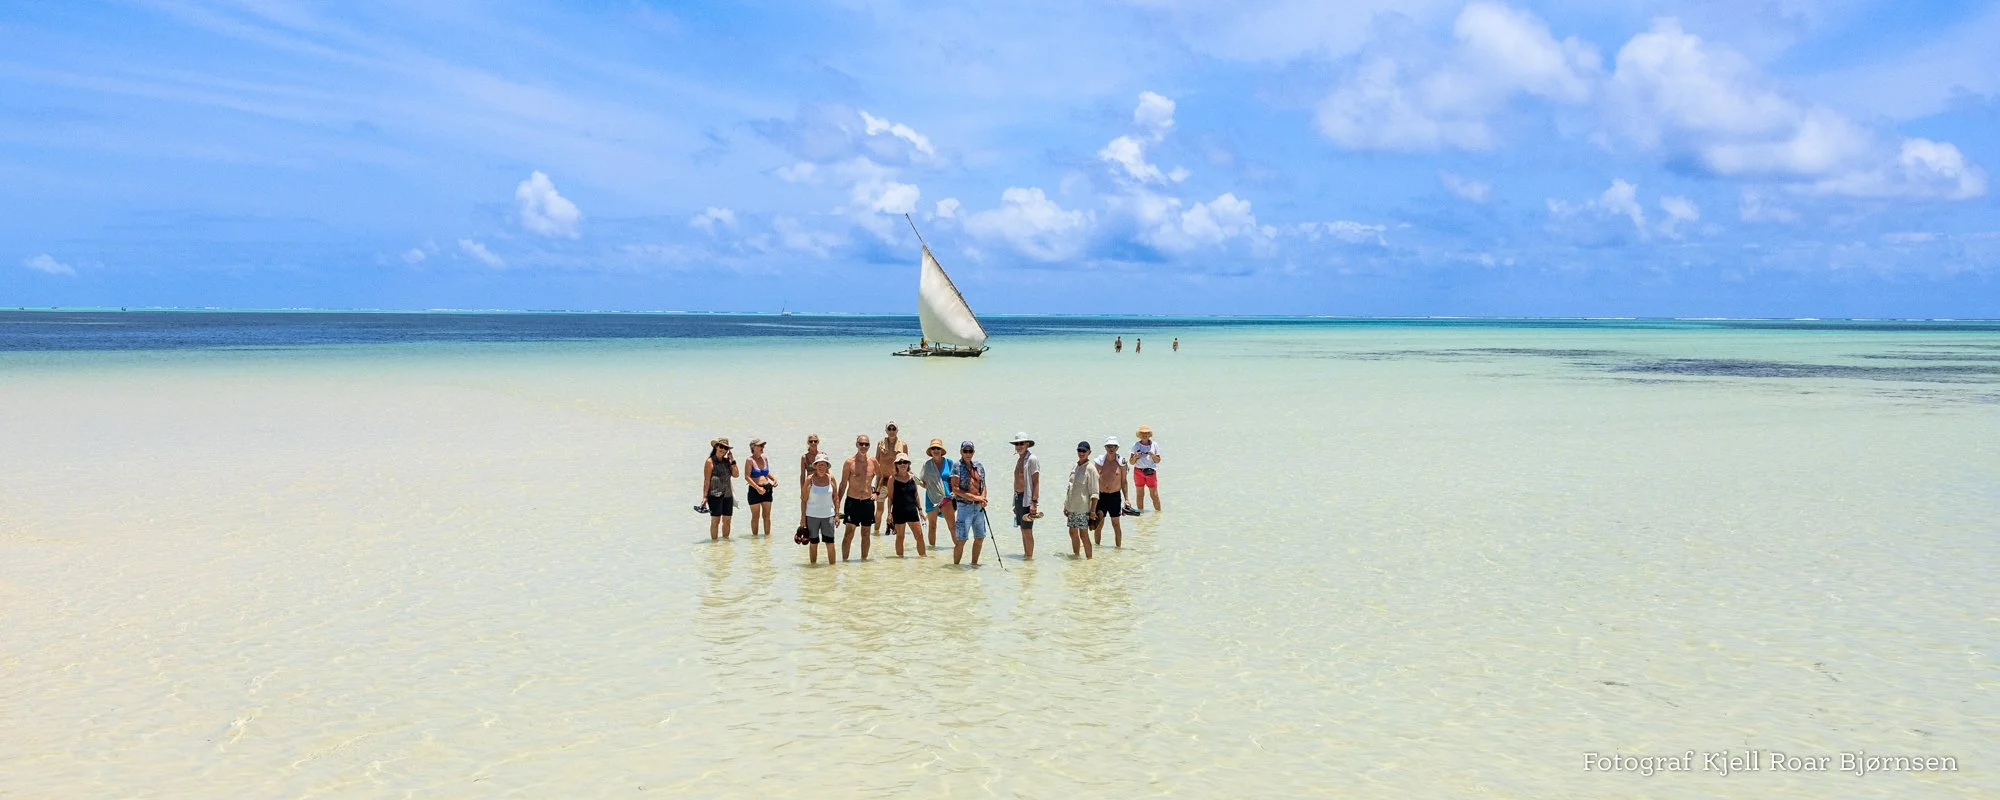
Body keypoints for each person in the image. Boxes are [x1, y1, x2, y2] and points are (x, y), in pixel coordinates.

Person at [838, 434, 877, 561]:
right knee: (849, 533)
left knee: (866, 534)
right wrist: (837, 505)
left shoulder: (873, 461)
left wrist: (876, 492)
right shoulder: (849, 462)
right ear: (856, 445)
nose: (864, 446)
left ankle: (864, 562)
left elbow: (882, 476)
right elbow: (843, 484)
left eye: (866, 444)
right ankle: (844, 561)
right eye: (861, 444)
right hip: (852, 502)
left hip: (867, 502)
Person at [949, 440, 989, 566]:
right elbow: (955, 489)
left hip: (978, 508)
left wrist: (983, 498)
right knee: (961, 540)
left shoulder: (979, 466)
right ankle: (956, 566)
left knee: (980, 537)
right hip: (964, 507)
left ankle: (974, 565)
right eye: (965, 451)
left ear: (973, 452)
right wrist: (975, 498)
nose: (967, 453)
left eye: (970, 451)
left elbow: (983, 484)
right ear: (961, 451)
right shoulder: (956, 466)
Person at [1092, 436, 1131, 548]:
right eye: (1109, 446)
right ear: (1105, 447)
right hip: (1101, 496)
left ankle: (1118, 549)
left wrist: (1127, 499)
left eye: (1113, 446)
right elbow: (1093, 481)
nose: (1111, 449)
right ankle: (1097, 548)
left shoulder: (1121, 463)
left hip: (1115, 496)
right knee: (1098, 524)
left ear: (1117, 448)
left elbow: (1124, 482)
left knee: (1116, 524)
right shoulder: (1098, 462)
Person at [800, 454, 839, 564]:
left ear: (827, 466)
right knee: (813, 543)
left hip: (828, 516)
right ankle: (813, 568)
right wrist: (803, 518)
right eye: (819, 465)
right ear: (815, 466)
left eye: (824, 465)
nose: (821, 467)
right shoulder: (810, 479)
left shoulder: (831, 478)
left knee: (830, 543)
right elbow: (803, 500)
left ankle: (832, 569)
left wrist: (836, 515)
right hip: (812, 516)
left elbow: (836, 497)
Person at [872, 421, 909, 535]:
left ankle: (898, 533)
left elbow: (906, 464)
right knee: (879, 510)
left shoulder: (903, 445)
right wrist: (872, 481)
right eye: (889, 428)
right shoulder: (880, 444)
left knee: (897, 509)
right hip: (882, 480)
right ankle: (876, 534)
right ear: (886, 430)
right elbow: (876, 461)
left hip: (897, 481)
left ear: (897, 430)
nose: (891, 431)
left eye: (894, 429)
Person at [887, 454, 927, 557]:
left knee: (919, 536)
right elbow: (890, 497)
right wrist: (889, 513)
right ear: (896, 465)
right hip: (898, 511)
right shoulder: (892, 478)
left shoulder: (912, 477)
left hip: (912, 511)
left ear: (908, 464)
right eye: (900, 462)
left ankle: (923, 559)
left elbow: (916, 495)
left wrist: (920, 510)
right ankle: (899, 561)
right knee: (900, 537)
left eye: (905, 462)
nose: (902, 464)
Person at [1009, 433, 1040, 560]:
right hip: (1018, 498)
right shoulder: (1019, 459)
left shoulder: (1032, 459)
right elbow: (1017, 481)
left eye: (1021, 443)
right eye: (1017, 444)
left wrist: (1034, 502)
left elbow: (1036, 481)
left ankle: (1030, 558)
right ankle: (1026, 556)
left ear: (1027, 444)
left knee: (1027, 530)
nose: (1019, 446)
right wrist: (1014, 502)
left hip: (1027, 500)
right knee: (1022, 529)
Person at [700, 438, 738, 541]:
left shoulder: (727, 462)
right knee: (715, 521)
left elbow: (736, 475)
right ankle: (714, 545)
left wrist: (732, 461)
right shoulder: (710, 461)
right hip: (714, 494)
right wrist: (704, 497)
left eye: (725, 448)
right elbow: (706, 480)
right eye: (721, 446)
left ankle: (725, 544)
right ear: (716, 446)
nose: (723, 449)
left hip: (727, 495)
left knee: (727, 520)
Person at [920, 438, 956, 548]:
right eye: (933, 448)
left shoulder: (949, 462)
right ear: (930, 451)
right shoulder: (927, 464)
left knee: (952, 526)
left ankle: (958, 547)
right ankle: (932, 554)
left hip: (946, 497)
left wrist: (954, 492)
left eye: (938, 448)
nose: (936, 450)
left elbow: (955, 479)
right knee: (932, 526)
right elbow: (923, 482)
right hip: (931, 497)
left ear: (941, 450)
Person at [1063, 440, 1095, 560]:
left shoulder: (1091, 469)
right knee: (1072, 532)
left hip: (1083, 508)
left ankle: (1089, 559)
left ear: (1089, 452)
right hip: (1072, 507)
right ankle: (1076, 556)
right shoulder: (1075, 467)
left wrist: (1092, 512)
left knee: (1084, 534)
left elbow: (1094, 493)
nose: (1081, 453)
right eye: (1079, 450)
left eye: (1084, 451)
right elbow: (1069, 487)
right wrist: (1066, 505)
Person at [743, 439, 777, 536]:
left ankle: (767, 538)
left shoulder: (764, 458)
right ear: (753, 447)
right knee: (755, 516)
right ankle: (755, 540)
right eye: (760, 445)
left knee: (767, 516)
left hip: (767, 489)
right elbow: (747, 476)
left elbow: (766, 472)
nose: (762, 447)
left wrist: (774, 479)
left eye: (763, 445)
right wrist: (757, 488)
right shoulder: (750, 460)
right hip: (754, 490)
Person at [1129, 426, 1163, 513]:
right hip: (1138, 471)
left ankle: (1158, 514)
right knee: (1140, 494)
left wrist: (1153, 455)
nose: (1144, 435)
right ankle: (1140, 514)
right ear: (1139, 435)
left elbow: (1158, 460)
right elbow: (1131, 462)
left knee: (1154, 495)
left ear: (1149, 434)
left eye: (1146, 433)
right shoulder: (1136, 445)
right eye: (1142, 433)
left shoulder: (1154, 445)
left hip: (1150, 472)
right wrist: (1136, 457)